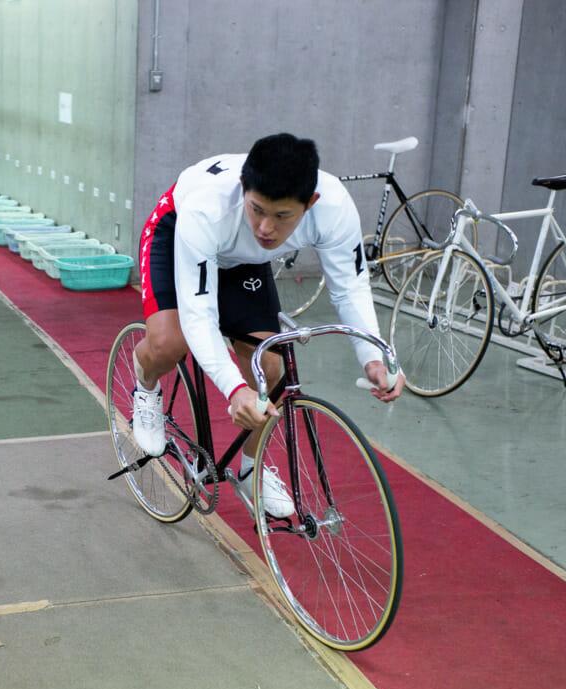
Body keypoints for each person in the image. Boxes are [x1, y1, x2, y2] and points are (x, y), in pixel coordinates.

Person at [132, 133, 405, 516]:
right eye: (257, 209)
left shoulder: (335, 208)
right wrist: (234, 390)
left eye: (282, 216)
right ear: (243, 188)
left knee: (270, 369)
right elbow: (200, 315)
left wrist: (373, 357)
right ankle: (145, 387)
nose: (265, 228)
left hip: (242, 259)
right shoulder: (207, 208)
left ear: (310, 204)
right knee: (169, 344)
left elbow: (351, 289)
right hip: (179, 230)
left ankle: (250, 468)